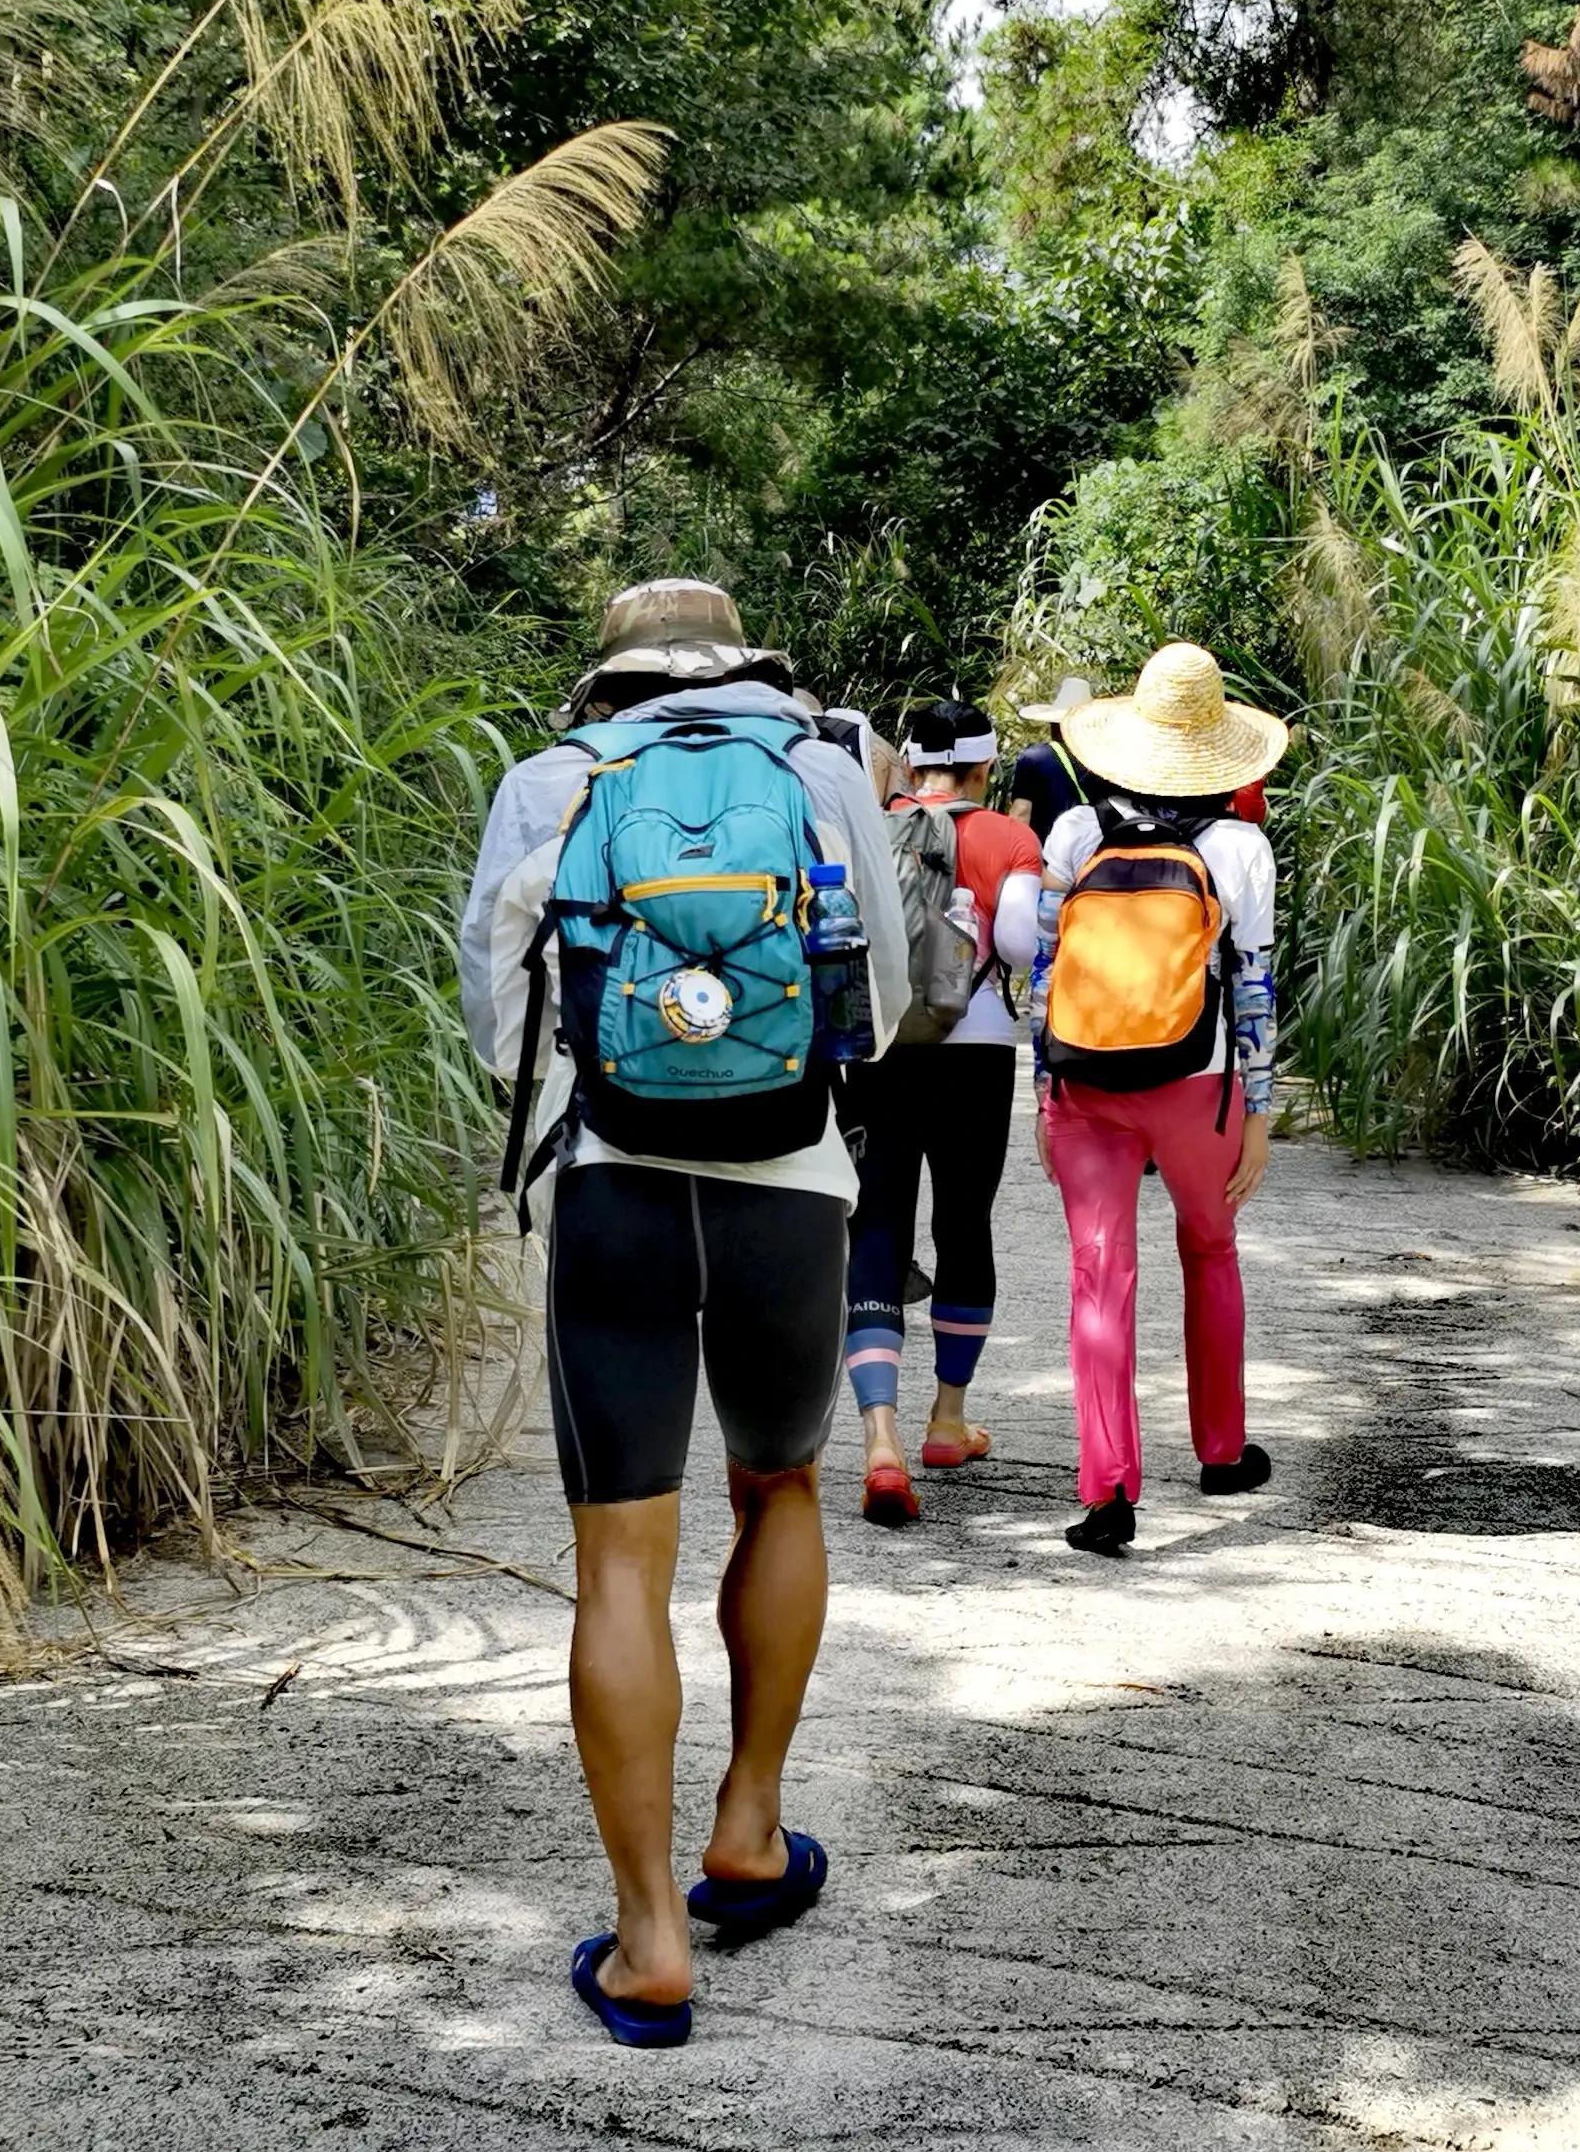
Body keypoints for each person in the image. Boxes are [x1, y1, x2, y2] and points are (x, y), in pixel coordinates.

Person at [460, 579, 910, 2046]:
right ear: (744, 660)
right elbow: (883, 1003)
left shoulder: (553, 779)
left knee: (618, 1564)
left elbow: (497, 1016)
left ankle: (652, 1938)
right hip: (793, 1190)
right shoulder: (826, 770)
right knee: (778, 1485)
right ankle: (751, 1832)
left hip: (615, 1195)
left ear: (615, 672)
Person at [995, 643, 1289, 1558]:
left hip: (1085, 1080)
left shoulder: (1079, 836)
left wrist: (1045, 1089)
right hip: (1195, 1088)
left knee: (1099, 1275)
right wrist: (1263, 1111)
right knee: (1211, 1246)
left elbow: (1047, 970)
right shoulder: (1239, 846)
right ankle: (1221, 1450)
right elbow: (1254, 987)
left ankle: (1108, 1493)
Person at [844, 699, 1042, 1527]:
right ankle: (947, 1422)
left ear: (912, 763)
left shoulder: (868, 828)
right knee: (965, 1223)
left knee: (879, 1225)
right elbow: (1026, 944)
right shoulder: (1005, 837)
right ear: (984, 767)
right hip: (978, 1048)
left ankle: (879, 1439)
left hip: (883, 1046)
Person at [1003, 677, 1093, 836]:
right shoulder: (1103, 759)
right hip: (1097, 854)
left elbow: (1021, 813)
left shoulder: (1034, 758)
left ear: (1053, 723)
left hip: (1047, 854)